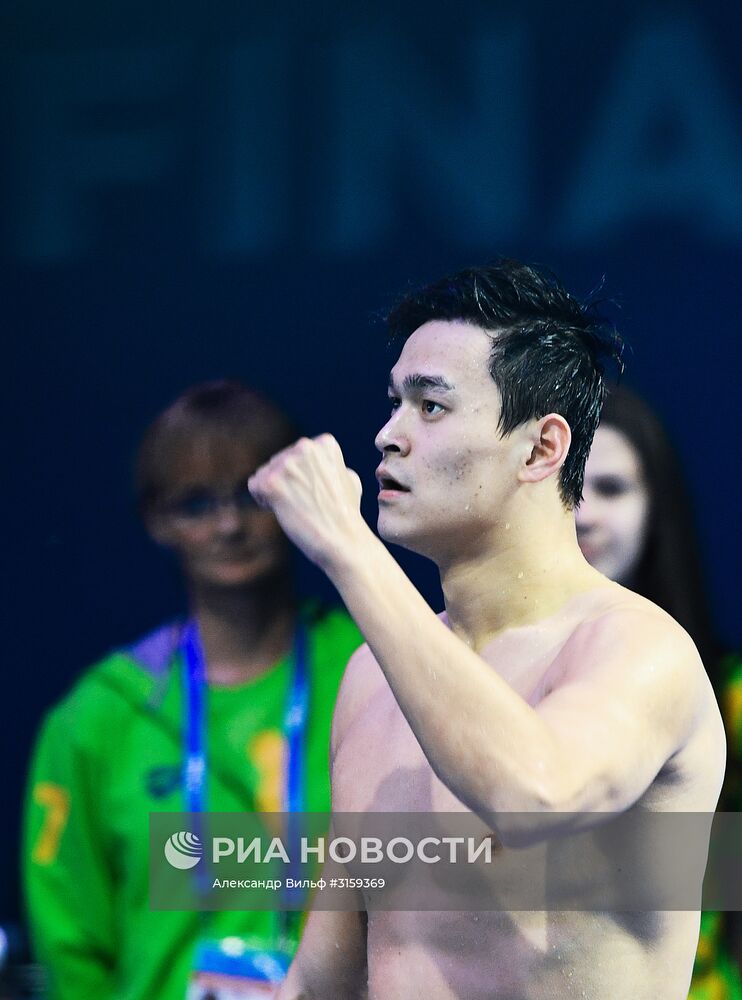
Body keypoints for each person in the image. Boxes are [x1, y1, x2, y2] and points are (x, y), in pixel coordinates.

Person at [246, 260, 727, 1000]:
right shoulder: (371, 679)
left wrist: (349, 550)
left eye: (430, 407)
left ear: (541, 449)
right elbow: (327, 977)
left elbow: (534, 796)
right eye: (393, 403)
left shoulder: (637, 649)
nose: (386, 436)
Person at [23, 381, 362, 1000]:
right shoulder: (100, 714)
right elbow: (70, 941)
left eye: (249, 497)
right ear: (157, 520)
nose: (229, 525)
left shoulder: (371, 671)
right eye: (196, 504)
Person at [576, 385, 742, 1000]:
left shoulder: (731, 694)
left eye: (612, 488)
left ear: (657, 505)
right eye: (565, 487)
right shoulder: (472, 677)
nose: (583, 512)